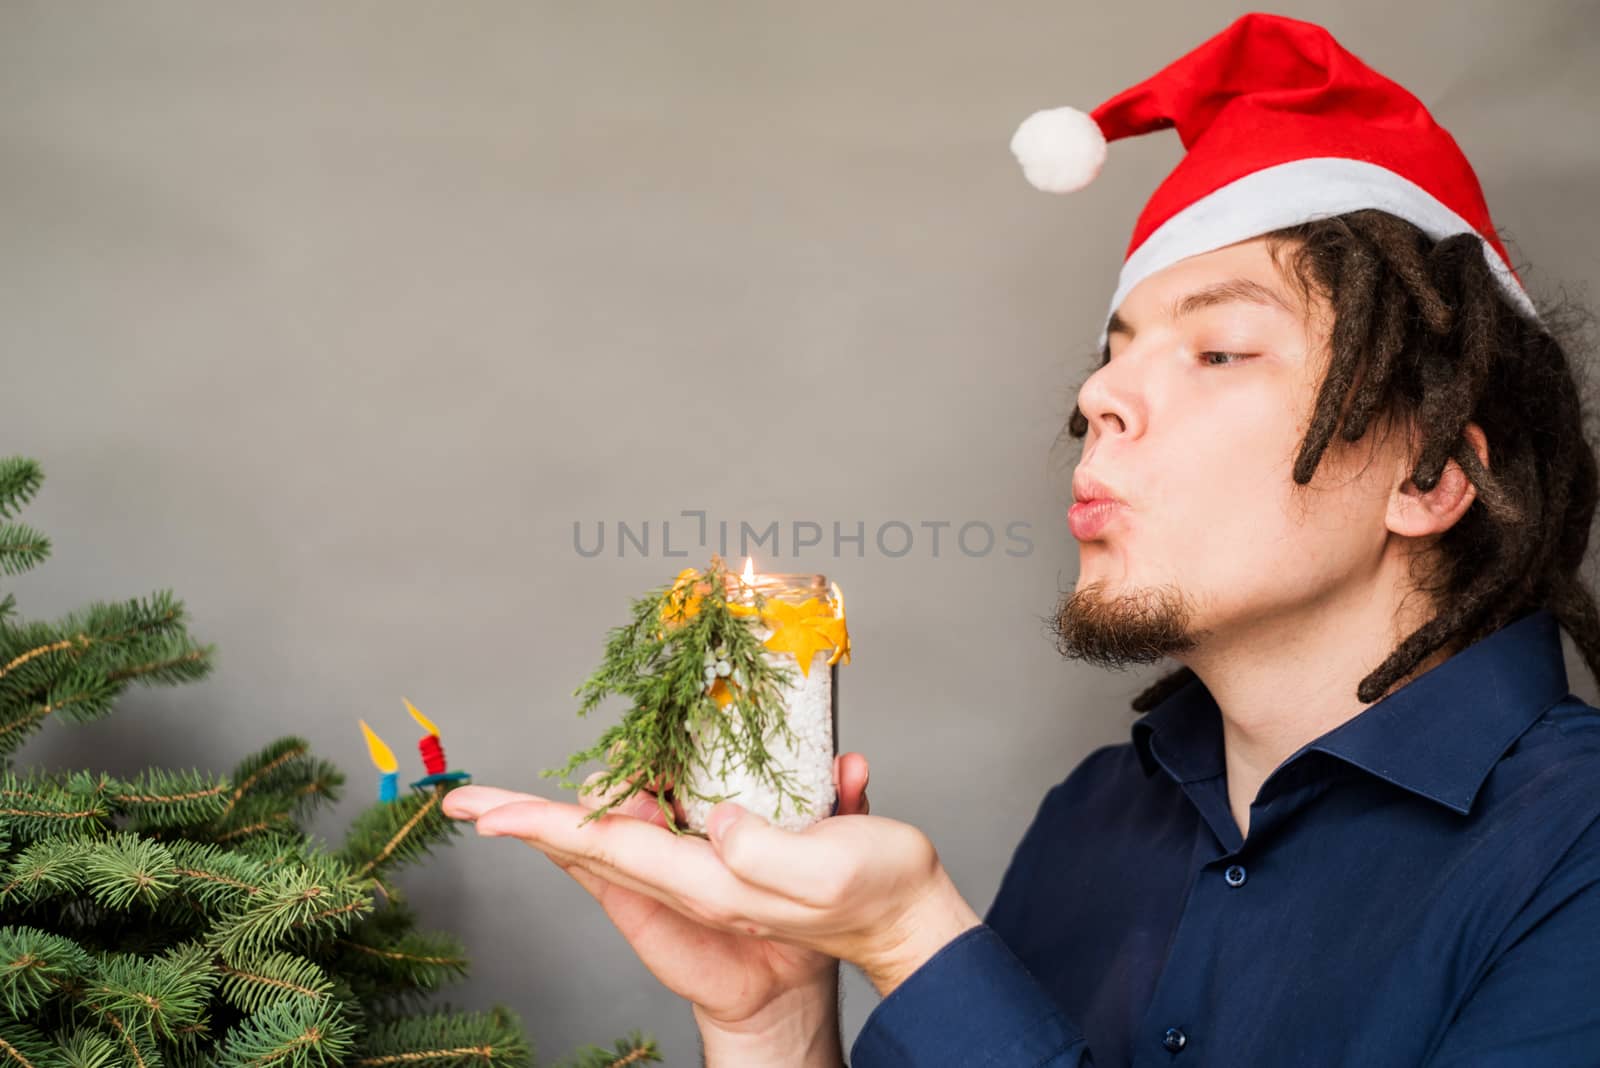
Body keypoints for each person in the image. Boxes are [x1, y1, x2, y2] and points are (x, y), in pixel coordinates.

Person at [443, 12, 1600, 1066]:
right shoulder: (1094, 817)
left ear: (1432, 471)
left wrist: (910, 941)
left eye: (1217, 352)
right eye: (1114, 352)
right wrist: (776, 1018)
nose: (1100, 398)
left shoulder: (1573, 853)